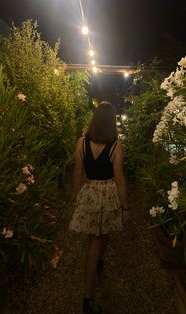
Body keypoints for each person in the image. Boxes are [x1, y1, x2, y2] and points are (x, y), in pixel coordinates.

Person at [69, 101, 129, 314]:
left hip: (90, 193)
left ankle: (99, 261)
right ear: (112, 122)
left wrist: (75, 196)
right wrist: (125, 206)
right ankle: (87, 296)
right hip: (108, 195)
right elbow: (120, 179)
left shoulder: (81, 143)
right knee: (98, 239)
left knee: (99, 236)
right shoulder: (115, 146)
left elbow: (77, 173)